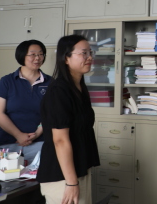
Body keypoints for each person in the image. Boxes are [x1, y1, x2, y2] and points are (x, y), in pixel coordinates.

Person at [37, 35, 100, 204]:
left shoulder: (79, 88)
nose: (89, 57)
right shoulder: (59, 91)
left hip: (79, 169)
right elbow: (60, 140)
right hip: (62, 177)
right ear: (66, 58)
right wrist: (71, 182)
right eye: (84, 53)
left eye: (90, 53)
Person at [0, 40, 51, 165]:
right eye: (33, 54)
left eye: (41, 54)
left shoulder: (51, 83)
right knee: (7, 176)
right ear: (22, 56)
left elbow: (52, 112)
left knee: (39, 177)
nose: (37, 58)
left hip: (41, 143)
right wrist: (18, 135)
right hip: (8, 144)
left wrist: (37, 133)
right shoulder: (7, 81)